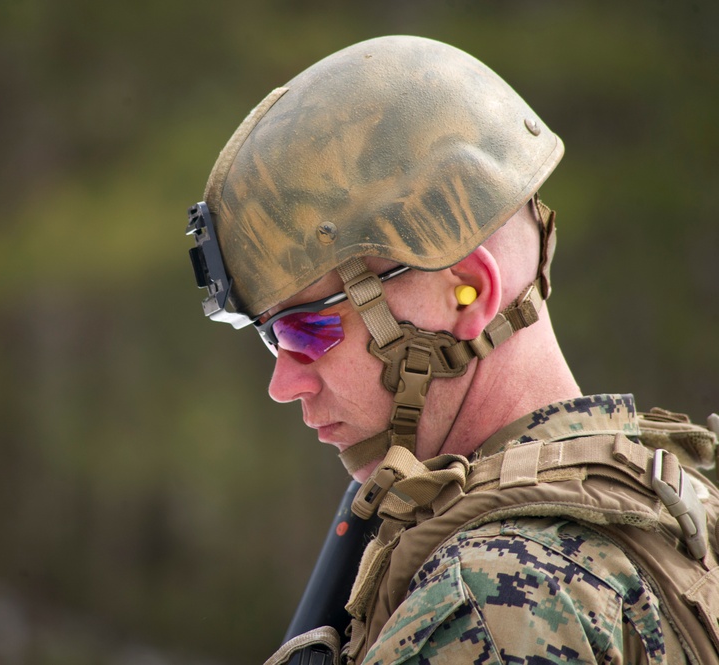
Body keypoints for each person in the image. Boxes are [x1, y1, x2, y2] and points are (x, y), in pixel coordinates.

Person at [184, 36, 719, 664]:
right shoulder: (679, 502)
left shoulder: (490, 606)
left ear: (467, 295)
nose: (283, 382)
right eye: (271, 337)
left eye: (306, 330)